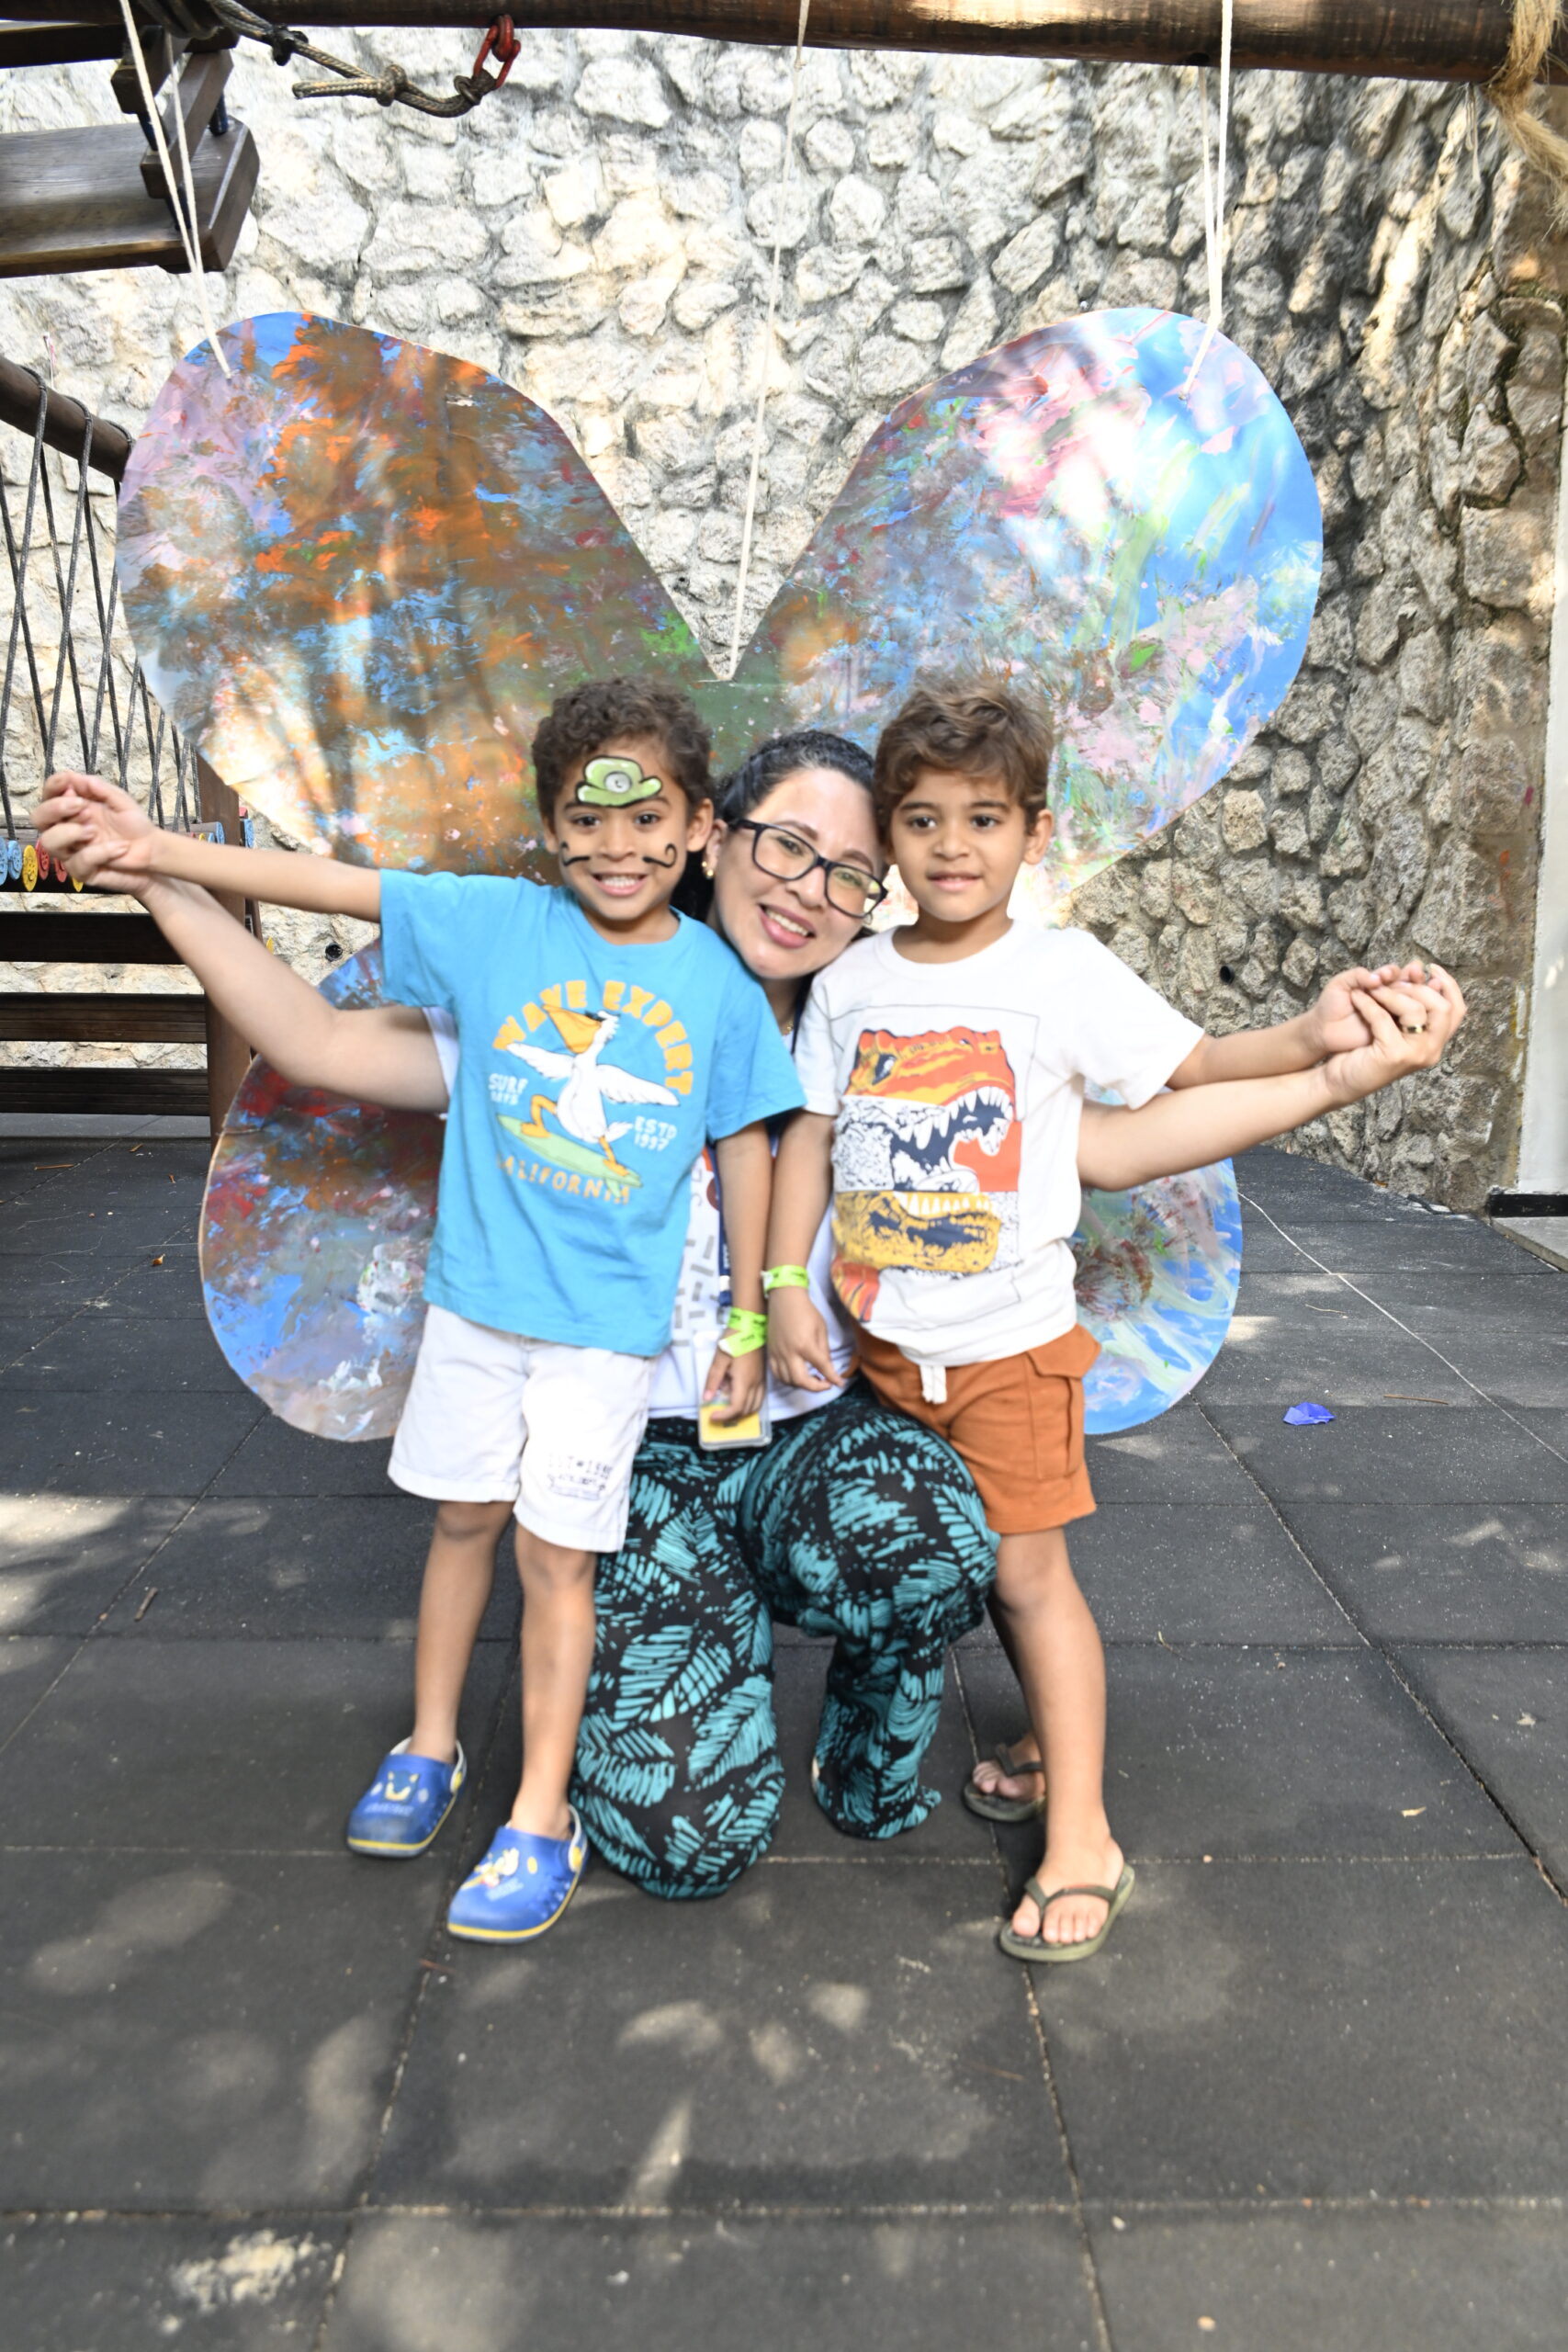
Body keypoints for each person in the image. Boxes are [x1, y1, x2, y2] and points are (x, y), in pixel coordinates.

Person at [40, 723, 1444, 1911]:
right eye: (786, 845)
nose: (810, 889)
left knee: (942, 1535)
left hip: (800, 1438)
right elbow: (312, 1039)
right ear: (715, 839)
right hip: (637, 1451)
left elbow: (1115, 1141)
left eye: (850, 871)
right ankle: (679, 1659)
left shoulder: (877, 1033)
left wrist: (1325, 1066)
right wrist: (160, 877)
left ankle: (871, 1716)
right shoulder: (571, 1004)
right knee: (684, 1843)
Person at [46, 678, 801, 1944]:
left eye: (647, 818)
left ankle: (540, 1814)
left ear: (698, 829)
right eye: (587, 818)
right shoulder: (500, 925)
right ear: (549, 828)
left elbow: (746, 1145)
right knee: (462, 1522)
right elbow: (333, 887)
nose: (617, 846)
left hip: (604, 1339)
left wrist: (749, 1319)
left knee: (558, 1561)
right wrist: (156, 857)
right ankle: (431, 1743)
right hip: (475, 1314)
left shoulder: (718, 988)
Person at [766, 675, 1466, 1962]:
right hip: (885, 1355)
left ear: (1035, 832)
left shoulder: (1061, 973)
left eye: (985, 818)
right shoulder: (853, 980)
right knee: (968, 1565)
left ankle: (1083, 1833)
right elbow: (811, 1135)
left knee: (1028, 1580)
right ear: (891, 835)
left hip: (1009, 1357)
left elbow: (1192, 1067)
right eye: (923, 819)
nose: (953, 847)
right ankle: (1048, 1737)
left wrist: (1319, 1040)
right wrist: (776, 1290)